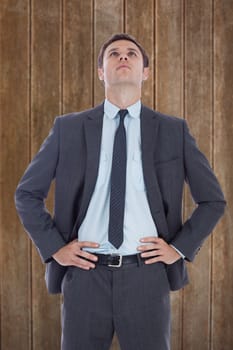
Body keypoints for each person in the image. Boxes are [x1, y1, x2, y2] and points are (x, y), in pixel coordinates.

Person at [15, 33, 226, 350]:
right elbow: (26, 194)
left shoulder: (173, 131)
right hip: (84, 275)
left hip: (147, 278)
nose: (123, 57)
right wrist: (56, 247)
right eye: (114, 54)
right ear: (101, 71)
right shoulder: (67, 128)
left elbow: (213, 201)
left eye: (132, 54)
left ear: (145, 72)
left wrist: (178, 248)